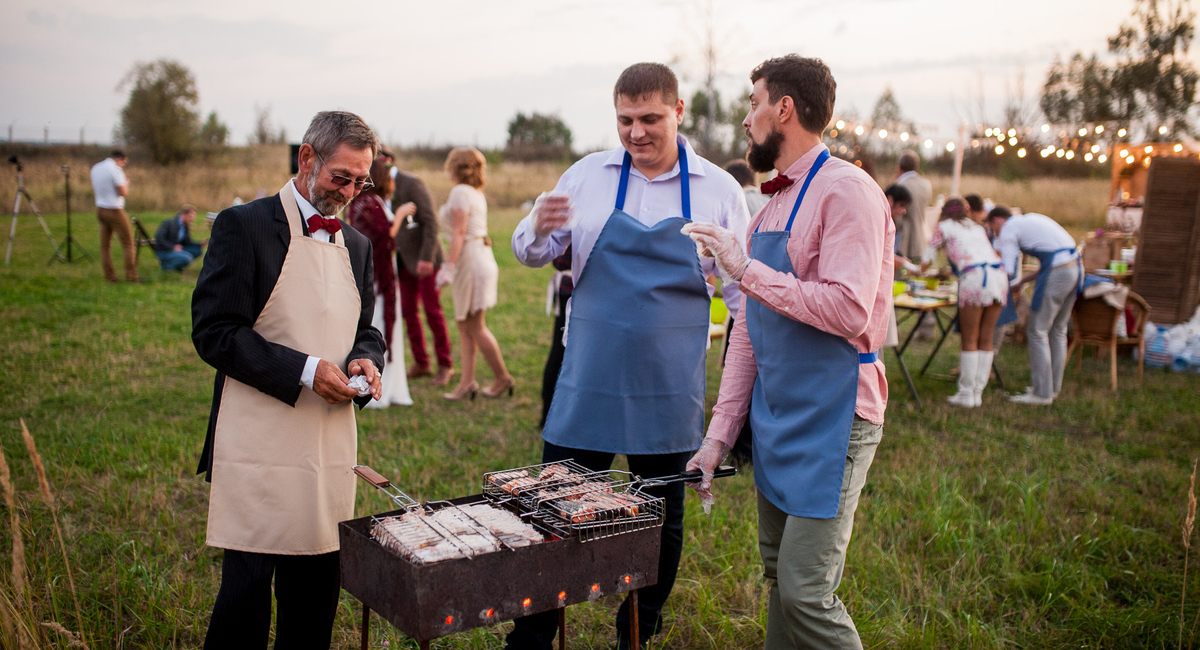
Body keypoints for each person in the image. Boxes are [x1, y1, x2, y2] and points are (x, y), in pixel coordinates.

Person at [509, 62, 749, 650]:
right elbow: (532, 253)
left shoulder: (719, 190)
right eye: (624, 120)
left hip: (670, 386)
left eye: (649, 119)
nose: (636, 132)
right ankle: (535, 635)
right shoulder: (587, 175)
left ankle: (637, 632)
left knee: (660, 520)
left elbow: (742, 295)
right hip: (588, 376)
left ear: (679, 112)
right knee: (554, 508)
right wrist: (534, 225)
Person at [682, 54, 892, 650]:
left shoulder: (847, 191)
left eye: (753, 104)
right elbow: (747, 329)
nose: (746, 120)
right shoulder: (770, 207)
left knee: (806, 591)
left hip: (835, 414)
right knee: (779, 579)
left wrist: (745, 269)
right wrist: (718, 437)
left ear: (785, 109)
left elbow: (849, 309)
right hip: (779, 415)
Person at [191, 110, 385, 650]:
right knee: (246, 598)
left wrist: (367, 361)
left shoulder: (360, 246)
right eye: (339, 177)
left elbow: (365, 331)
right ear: (307, 158)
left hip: (326, 446)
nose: (347, 192)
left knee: (315, 598)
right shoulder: (244, 226)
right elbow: (215, 331)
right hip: (259, 440)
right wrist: (303, 370)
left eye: (359, 181)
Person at [438, 147, 513, 400]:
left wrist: (448, 266)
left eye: (449, 164)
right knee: (465, 325)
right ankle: (467, 382)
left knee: (475, 326)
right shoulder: (476, 193)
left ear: (457, 167)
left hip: (470, 260)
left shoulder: (460, 192)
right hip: (479, 256)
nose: (446, 169)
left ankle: (503, 377)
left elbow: (459, 233)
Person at [986, 206, 1081, 405]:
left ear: (996, 221)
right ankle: (1052, 388)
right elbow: (1054, 255)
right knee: (1057, 331)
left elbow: (1008, 269)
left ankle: (1041, 393)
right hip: (1075, 269)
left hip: (1057, 273)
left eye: (993, 228)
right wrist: (1023, 282)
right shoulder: (1029, 220)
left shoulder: (1009, 229)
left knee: (1037, 330)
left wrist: (990, 282)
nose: (996, 234)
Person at [920, 198, 1009, 407]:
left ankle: (966, 394)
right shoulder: (977, 227)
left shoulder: (943, 227)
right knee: (986, 338)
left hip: (974, 278)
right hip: (998, 274)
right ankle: (978, 392)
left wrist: (915, 268)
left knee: (970, 338)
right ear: (967, 211)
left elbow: (926, 260)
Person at [349, 157, 413, 408]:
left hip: (386, 272)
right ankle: (377, 388)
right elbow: (382, 237)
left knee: (390, 326)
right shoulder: (369, 203)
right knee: (379, 325)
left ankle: (393, 386)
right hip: (378, 276)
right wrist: (399, 216)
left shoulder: (370, 202)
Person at [393, 161, 456, 386]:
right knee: (408, 312)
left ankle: (445, 365)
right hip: (403, 260)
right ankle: (421, 362)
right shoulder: (376, 185)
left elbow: (431, 222)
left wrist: (427, 258)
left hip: (425, 259)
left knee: (432, 312)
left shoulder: (411, 183)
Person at [91, 150, 139, 283]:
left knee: (105, 246)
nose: (123, 166)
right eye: (124, 163)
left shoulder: (96, 168)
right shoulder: (115, 170)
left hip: (100, 209)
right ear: (121, 159)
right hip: (114, 210)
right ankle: (132, 276)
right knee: (128, 243)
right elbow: (122, 192)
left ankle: (110, 277)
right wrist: (126, 182)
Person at [539, 245, 572, 428]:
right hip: (572, 290)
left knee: (558, 352)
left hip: (569, 288)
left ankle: (548, 414)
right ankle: (548, 414)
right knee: (559, 352)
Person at [894, 150, 931, 261]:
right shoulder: (926, 184)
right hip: (920, 238)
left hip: (903, 241)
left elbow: (897, 218)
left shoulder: (900, 185)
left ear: (899, 167)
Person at [153, 204, 206, 272]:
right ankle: (166, 267)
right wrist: (173, 247)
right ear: (183, 215)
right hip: (165, 251)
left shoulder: (185, 226)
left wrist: (200, 244)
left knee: (198, 251)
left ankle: (177, 265)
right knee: (187, 258)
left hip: (178, 249)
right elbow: (159, 238)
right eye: (190, 217)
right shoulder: (168, 223)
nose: (192, 219)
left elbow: (187, 242)